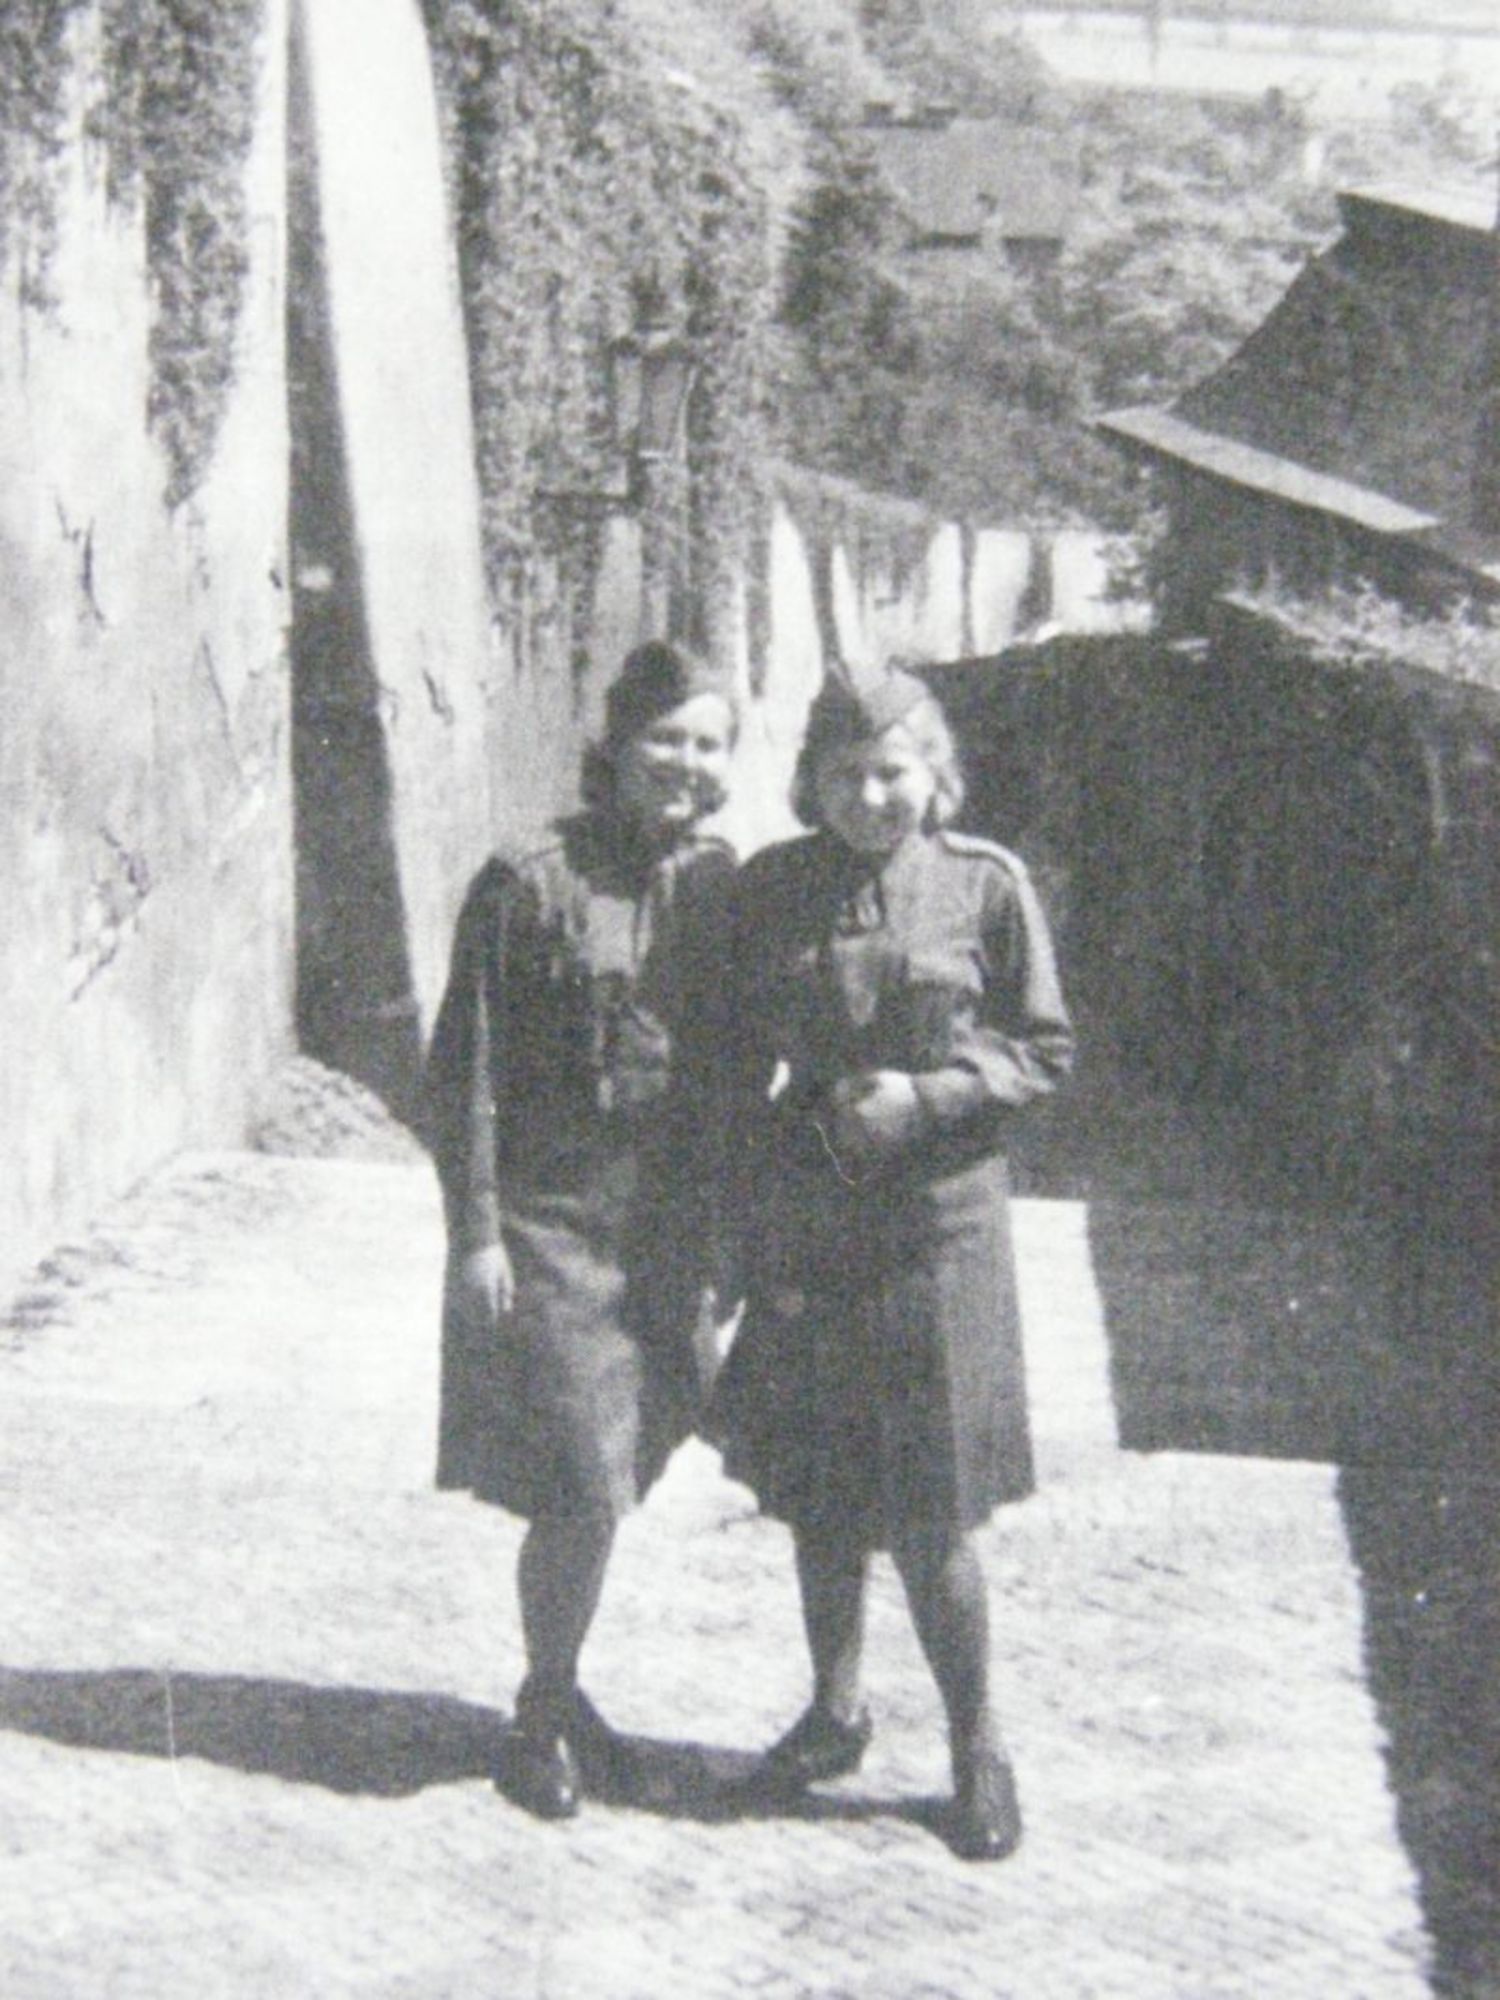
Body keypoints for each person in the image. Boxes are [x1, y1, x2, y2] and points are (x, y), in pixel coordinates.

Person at [710, 666, 1073, 1861]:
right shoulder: (771, 888)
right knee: (820, 1492)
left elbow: (1044, 1048)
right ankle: (834, 1713)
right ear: (811, 781)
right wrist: (754, 1205)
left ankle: (978, 1745)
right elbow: (733, 1058)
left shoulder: (987, 884)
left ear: (934, 773)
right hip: (815, 1217)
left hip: (937, 1231)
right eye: (845, 775)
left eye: (892, 772)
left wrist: (930, 1094)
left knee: (931, 1508)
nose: (871, 796)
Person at [422, 639, 737, 1821]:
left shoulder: (719, 884)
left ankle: (558, 1681)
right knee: (582, 1483)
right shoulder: (527, 878)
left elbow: (740, 1068)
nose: (686, 764)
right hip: (550, 1223)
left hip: (661, 1227)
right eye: (667, 738)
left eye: (709, 744)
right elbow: (465, 1071)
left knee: (625, 1457)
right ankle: (541, 1715)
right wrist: (478, 1231)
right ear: (617, 744)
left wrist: (727, 1231)